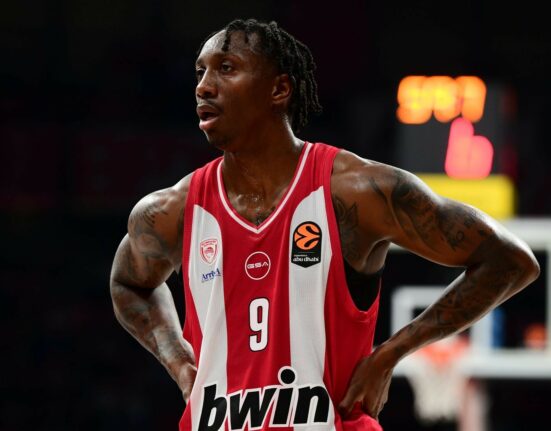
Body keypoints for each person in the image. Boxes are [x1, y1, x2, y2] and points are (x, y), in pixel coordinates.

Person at [109, 18, 540, 431]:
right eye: (200, 72)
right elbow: (128, 283)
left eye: (226, 68)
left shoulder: (354, 191)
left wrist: (391, 353)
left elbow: (510, 260)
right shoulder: (173, 210)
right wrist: (179, 362)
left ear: (279, 89)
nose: (203, 86)